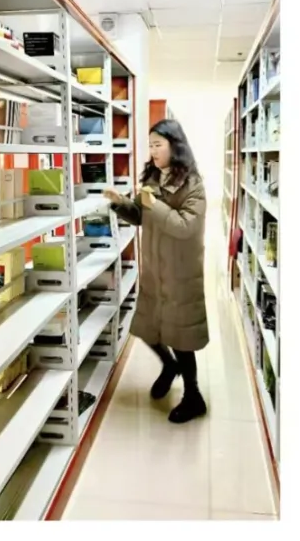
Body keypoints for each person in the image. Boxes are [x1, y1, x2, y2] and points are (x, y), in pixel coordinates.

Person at [104, 120, 208, 425]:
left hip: (180, 274)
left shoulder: (193, 184)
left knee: (180, 338)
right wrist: (121, 203)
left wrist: (154, 204)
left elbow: (185, 226)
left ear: (175, 145)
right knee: (147, 328)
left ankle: (194, 397)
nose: (153, 151)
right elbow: (141, 216)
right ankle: (169, 366)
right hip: (154, 271)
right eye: (150, 145)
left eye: (158, 145)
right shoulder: (151, 177)